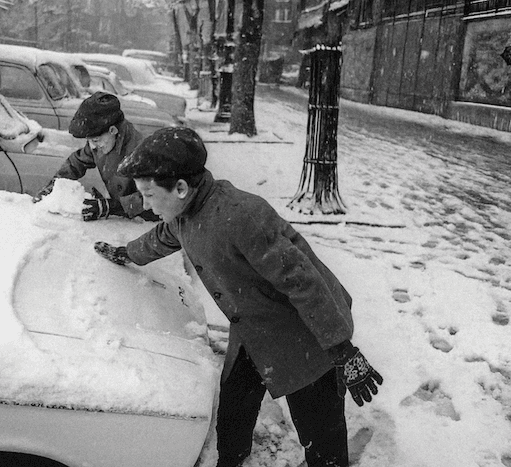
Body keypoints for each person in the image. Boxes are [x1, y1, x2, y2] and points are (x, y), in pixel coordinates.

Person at [93, 127, 383, 467]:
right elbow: (162, 237)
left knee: (321, 436)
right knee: (234, 411)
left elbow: (304, 282)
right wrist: (125, 253)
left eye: (149, 195)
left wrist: (342, 349)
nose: (144, 204)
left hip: (303, 334)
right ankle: (231, 460)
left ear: (181, 188)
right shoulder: (185, 214)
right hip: (251, 327)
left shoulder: (241, 215)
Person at [33, 91, 159, 222]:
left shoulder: (141, 151)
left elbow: (155, 195)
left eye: (95, 140)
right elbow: (76, 163)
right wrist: (52, 186)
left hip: (149, 222)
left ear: (112, 130)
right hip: (124, 221)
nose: (92, 146)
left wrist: (113, 206)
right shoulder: (103, 142)